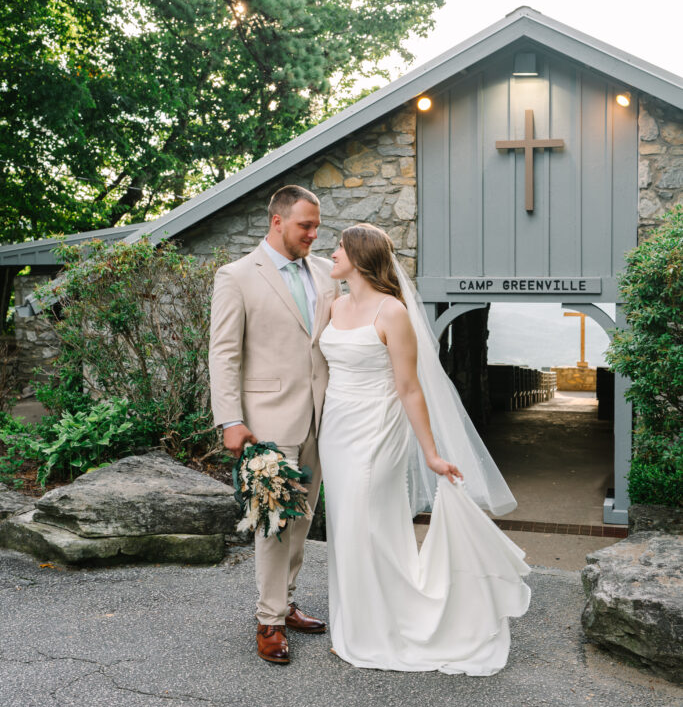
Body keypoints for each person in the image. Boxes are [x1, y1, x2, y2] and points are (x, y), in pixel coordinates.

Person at [318, 223, 531, 675]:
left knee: (364, 523)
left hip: (375, 430)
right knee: (345, 526)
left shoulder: (392, 312)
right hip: (334, 430)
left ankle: (386, 628)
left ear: (358, 256)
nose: (331, 253)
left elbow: (410, 387)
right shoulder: (335, 305)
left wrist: (431, 453)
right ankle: (354, 624)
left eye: (338, 247)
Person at [209, 185, 340, 665]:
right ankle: (268, 620)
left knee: (303, 518)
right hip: (266, 422)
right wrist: (230, 419)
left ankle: (285, 602)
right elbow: (224, 353)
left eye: (317, 226)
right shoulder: (237, 276)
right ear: (278, 221)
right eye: (306, 225)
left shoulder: (327, 273)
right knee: (273, 522)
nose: (313, 234)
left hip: (322, 419)